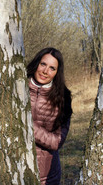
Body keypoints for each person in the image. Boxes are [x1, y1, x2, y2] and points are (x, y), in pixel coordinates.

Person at [27, 47, 73, 185]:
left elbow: (56, 142)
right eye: (43, 64)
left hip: (47, 177)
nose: (45, 71)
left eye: (52, 68)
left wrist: (26, 125)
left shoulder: (63, 97)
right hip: (15, 171)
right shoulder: (17, 87)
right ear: (36, 63)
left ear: (57, 72)